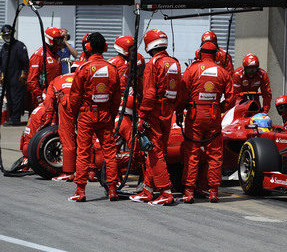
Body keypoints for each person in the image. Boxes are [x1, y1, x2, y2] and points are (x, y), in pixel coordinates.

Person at [176, 40, 234, 203]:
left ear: (200, 53)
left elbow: (182, 93)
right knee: (215, 154)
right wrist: (219, 108)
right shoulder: (222, 72)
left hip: (194, 115)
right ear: (216, 55)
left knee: (192, 153)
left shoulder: (192, 69)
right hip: (213, 115)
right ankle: (214, 191)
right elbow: (231, 98)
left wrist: (180, 111)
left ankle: (188, 192)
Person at [129, 29, 180, 206]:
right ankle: (148, 190)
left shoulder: (153, 64)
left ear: (149, 44)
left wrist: (142, 115)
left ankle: (166, 191)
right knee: (154, 150)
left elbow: (149, 94)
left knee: (154, 151)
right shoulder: (174, 63)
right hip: (169, 111)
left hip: (155, 112)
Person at [67, 32, 121, 202]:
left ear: (88, 48)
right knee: (110, 153)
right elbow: (117, 98)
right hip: (105, 115)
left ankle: (80, 191)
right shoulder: (112, 69)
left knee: (83, 152)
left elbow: (75, 97)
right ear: (105, 48)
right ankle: (112, 189)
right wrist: (111, 116)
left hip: (86, 115)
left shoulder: (83, 69)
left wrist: (73, 115)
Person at [43, 61, 81, 181]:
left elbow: (49, 100)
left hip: (65, 105)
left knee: (67, 137)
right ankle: (91, 170)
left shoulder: (58, 79)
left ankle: (69, 172)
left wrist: (49, 117)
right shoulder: (86, 77)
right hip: (85, 106)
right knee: (86, 138)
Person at [27, 27, 65, 108]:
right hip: (43, 96)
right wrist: (39, 97)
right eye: (58, 40)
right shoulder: (39, 55)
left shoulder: (56, 55)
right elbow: (31, 80)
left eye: (61, 40)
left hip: (55, 94)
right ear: (50, 40)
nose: (60, 43)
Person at [0, 24, 29, 126]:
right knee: (10, 98)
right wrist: (1, 74)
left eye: (8, 35)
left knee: (16, 99)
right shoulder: (4, 47)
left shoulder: (19, 46)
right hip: (7, 78)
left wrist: (24, 75)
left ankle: (15, 119)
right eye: (5, 36)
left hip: (17, 78)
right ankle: (11, 117)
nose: (7, 38)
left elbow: (25, 62)